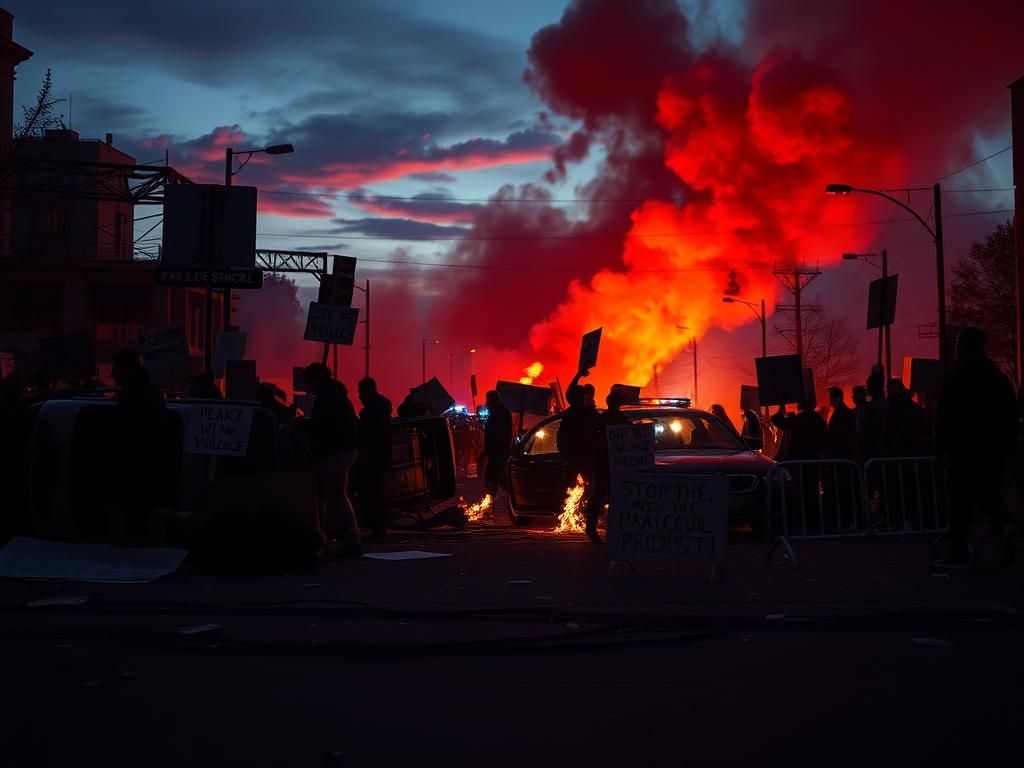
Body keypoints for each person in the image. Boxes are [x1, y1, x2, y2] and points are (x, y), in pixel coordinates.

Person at [934, 326, 1019, 568]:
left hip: (964, 450)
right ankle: (1005, 525)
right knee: (989, 492)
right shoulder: (999, 378)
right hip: (995, 449)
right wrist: (1010, 448)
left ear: (962, 346)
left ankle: (958, 552)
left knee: (960, 501)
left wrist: (939, 448)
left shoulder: (955, 377)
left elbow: (944, 415)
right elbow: (1012, 415)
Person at [108, 347, 167, 543]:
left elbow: (127, 438)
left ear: (128, 368)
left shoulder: (135, 396)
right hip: (146, 474)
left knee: (136, 527)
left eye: (116, 367)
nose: (112, 373)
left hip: (136, 474)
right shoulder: (147, 394)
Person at [301, 363, 361, 555]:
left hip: (334, 451)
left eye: (308, 381)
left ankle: (350, 540)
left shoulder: (328, 396)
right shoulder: (335, 394)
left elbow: (324, 424)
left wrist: (304, 427)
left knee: (336, 497)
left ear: (316, 379)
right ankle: (345, 538)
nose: (306, 385)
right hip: (343, 450)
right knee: (337, 496)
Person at [556, 372, 600, 542]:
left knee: (576, 488)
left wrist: (578, 375)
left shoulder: (572, 414)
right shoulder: (589, 414)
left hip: (576, 457)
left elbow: (561, 436)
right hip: (584, 457)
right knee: (588, 490)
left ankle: (578, 517)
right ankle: (584, 520)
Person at [588, 389, 632, 543]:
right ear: (619, 403)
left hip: (603, 463)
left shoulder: (600, 420)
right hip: (618, 464)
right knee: (616, 497)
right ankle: (612, 530)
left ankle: (591, 528)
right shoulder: (624, 422)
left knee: (598, 495)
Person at [357, 377, 393, 539]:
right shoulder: (382, 406)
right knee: (376, 491)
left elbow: (370, 433)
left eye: (361, 391)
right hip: (381, 454)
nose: (359, 395)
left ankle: (377, 528)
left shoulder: (372, 410)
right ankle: (378, 527)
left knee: (374, 491)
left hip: (374, 455)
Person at [480, 390, 514, 499]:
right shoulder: (503, 412)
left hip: (496, 454)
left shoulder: (497, 414)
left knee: (491, 481)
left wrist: (488, 451)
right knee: (501, 480)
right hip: (501, 452)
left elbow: (494, 435)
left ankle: (488, 507)